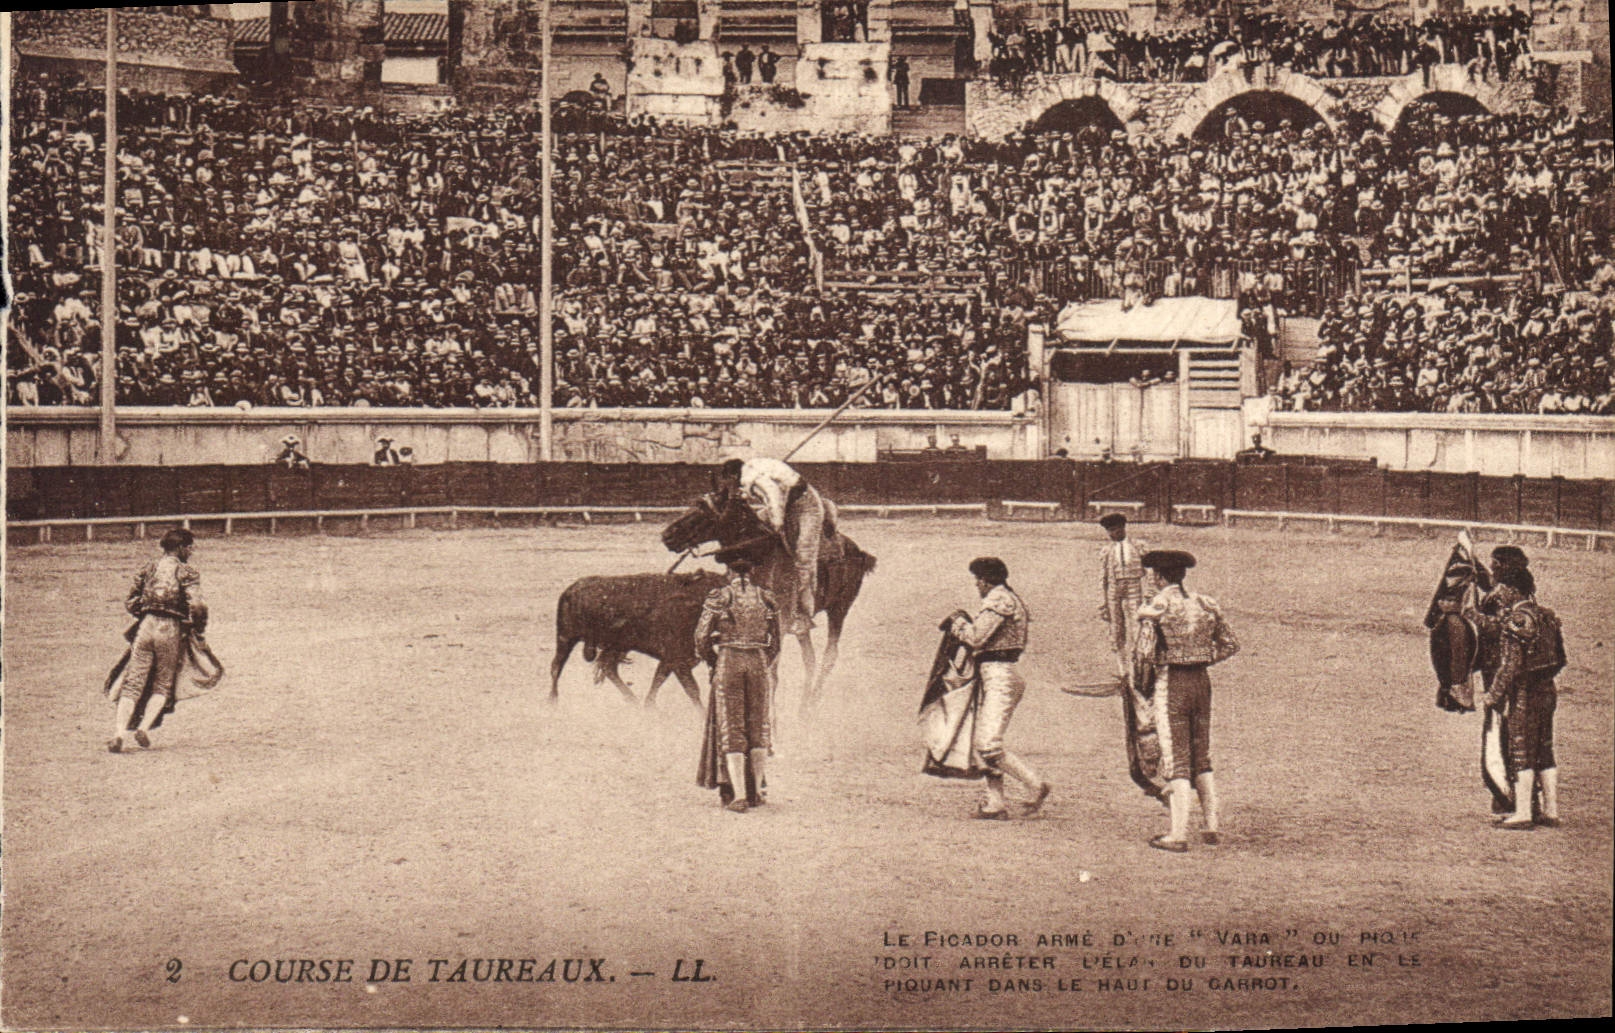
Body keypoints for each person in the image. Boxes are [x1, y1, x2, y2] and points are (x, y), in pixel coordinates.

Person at [1134, 550, 1239, 852]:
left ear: (1158, 576)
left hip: (1173, 683)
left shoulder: (1156, 606)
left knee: (1176, 758)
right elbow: (1231, 644)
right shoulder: (1205, 603)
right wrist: (1201, 658)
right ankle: (1211, 825)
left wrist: (1152, 673)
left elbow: (1144, 654)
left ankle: (1177, 836)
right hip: (1201, 682)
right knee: (1200, 755)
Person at [1465, 551, 1565, 829]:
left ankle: (1522, 813)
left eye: (1503, 589)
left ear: (1511, 589)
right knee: (1545, 749)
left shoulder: (1516, 621)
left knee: (1520, 749)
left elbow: (1509, 667)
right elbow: (1560, 659)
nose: (1500, 594)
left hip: (1524, 693)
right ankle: (1551, 811)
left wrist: (1492, 696)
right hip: (1548, 690)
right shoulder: (1546, 615)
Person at [947, 557, 1051, 820]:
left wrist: (957, 624)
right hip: (994, 675)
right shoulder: (1006, 598)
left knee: (987, 744)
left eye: (977, 580)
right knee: (981, 739)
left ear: (985, 580)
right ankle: (995, 803)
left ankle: (1035, 785)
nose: (976, 586)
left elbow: (976, 638)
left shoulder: (999, 601)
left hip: (999, 677)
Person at [694, 550, 781, 813]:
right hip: (757, 661)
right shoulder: (766, 598)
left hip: (730, 660)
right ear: (751, 572)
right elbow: (775, 643)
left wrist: (712, 661)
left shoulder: (719, 597)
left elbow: (700, 637)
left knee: (732, 727)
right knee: (758, 726)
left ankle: (739, 795)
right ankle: (756, 792)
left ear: (729, 572)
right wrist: (763, 659)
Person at [109, 528, 205, 753]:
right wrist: (196, 628)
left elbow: (131, 600)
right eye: (189, 547)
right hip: (170, 628)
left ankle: (119, 734)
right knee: (163, 683)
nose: (191, 552)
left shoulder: (149, 568)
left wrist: (144, 614)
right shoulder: (187, 572)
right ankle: (143, 727)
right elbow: (198, 606)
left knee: (133, 682)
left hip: (146, 626)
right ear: (180, 548)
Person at [718, 456, 833, 636]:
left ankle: (803, 614)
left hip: (806, 506)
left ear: (732, 477)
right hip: (786, 504)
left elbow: (773, 494)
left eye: (727, 481)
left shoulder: (752, 478)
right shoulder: (751, 470)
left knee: (804, 556)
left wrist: (777, 522)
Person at [1097, 513, 1149, 681]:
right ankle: (1122, 668)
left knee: (1137, 624)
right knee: (1116, 627)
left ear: (1123, 528)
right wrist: (1103, 601)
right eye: (1109, 531)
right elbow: (1103, 577)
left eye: (1115, 529)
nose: (1112, 534)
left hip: (1134, 585)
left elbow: (1149, 572)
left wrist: (1150, 593)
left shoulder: (1138, 546)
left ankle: (1138, 666)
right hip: (1114, 587)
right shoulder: (1107, 550)